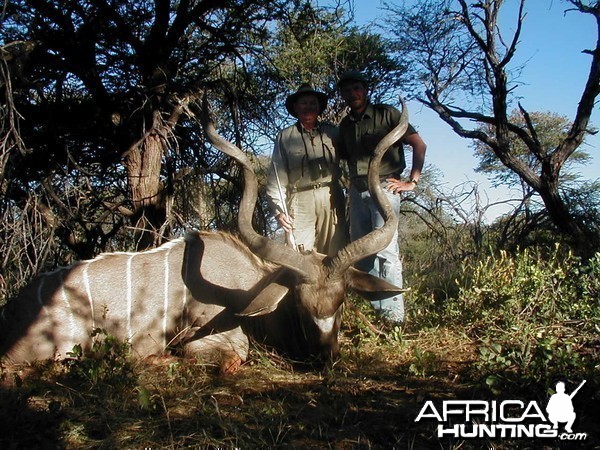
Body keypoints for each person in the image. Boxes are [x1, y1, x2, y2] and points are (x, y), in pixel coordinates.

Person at [337, 70, 427, 324]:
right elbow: (344, 158)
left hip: (386, 188)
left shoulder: (387, 113)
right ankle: (376, 316)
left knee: (386, 252)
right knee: (361, 255)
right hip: (356, 192)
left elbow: (419, 144)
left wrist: (412, 181)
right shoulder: (345, 125)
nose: (352, 94)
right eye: (346, 90)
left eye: (356, 88)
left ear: (365, 90)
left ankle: (395, 318)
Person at [265, 84, 346, 255]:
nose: (308, 107)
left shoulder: (333, 132)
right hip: (300, 200)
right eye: (303, 103)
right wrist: (279, 212)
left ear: (318, 107)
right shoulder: (285, 137)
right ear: (295, 107)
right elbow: (276, 178)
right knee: (300, 256)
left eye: (312, 103)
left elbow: (351, 162)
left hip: (331, 196)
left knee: (334, 253)